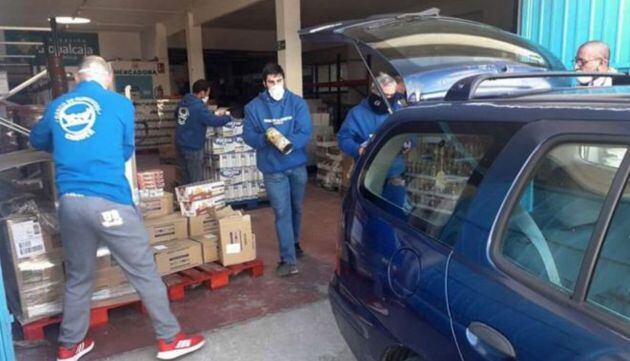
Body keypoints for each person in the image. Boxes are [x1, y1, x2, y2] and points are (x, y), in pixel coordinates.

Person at [29, 56, 204, 361]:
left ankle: (69, 345)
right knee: (144, 273)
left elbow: (36, 139)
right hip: (110, 202)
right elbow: (125, 150)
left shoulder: (58, 106)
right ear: (107, 77)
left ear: (77, 78)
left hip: (70, 204)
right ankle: (170, 339)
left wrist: (70, 146)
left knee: (79, 276)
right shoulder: (120, 105)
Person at [243, 63, 312, 277]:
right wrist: (265, 139)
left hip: (297, 165)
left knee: (296, 208)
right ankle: (288, 260)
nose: (276, 85)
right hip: (273, 170)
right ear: (264, 84)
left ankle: (295, 242)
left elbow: (305, 131)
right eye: (271, 82)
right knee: (282, 212)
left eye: (279, 81)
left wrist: (288, 145)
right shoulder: (253, 108)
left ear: (284, 80)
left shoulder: (297, 103)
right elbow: (248, 136)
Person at [338, 73, 409, 207]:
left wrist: (408, 143)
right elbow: (343, 139)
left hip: (394, 174)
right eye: (385, 96)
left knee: (396, 214)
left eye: (392, 96)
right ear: (374, 92)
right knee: (367, 214)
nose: (389, 100)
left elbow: (411, 134)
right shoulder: (357, 113)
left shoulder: (398, 111)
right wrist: (357, 149)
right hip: (367, 175)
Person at [175, 79, 232, 184]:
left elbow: (179, 116)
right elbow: (212, 121)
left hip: (180, 144)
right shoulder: (198, 107)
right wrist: (228, 118)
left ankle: (184, 199)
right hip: (193, 147)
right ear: (202, 92)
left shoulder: (183, 103)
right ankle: (195, 199)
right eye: (207, 93)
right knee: (195, 180)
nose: (207, 96)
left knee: (184, 178)